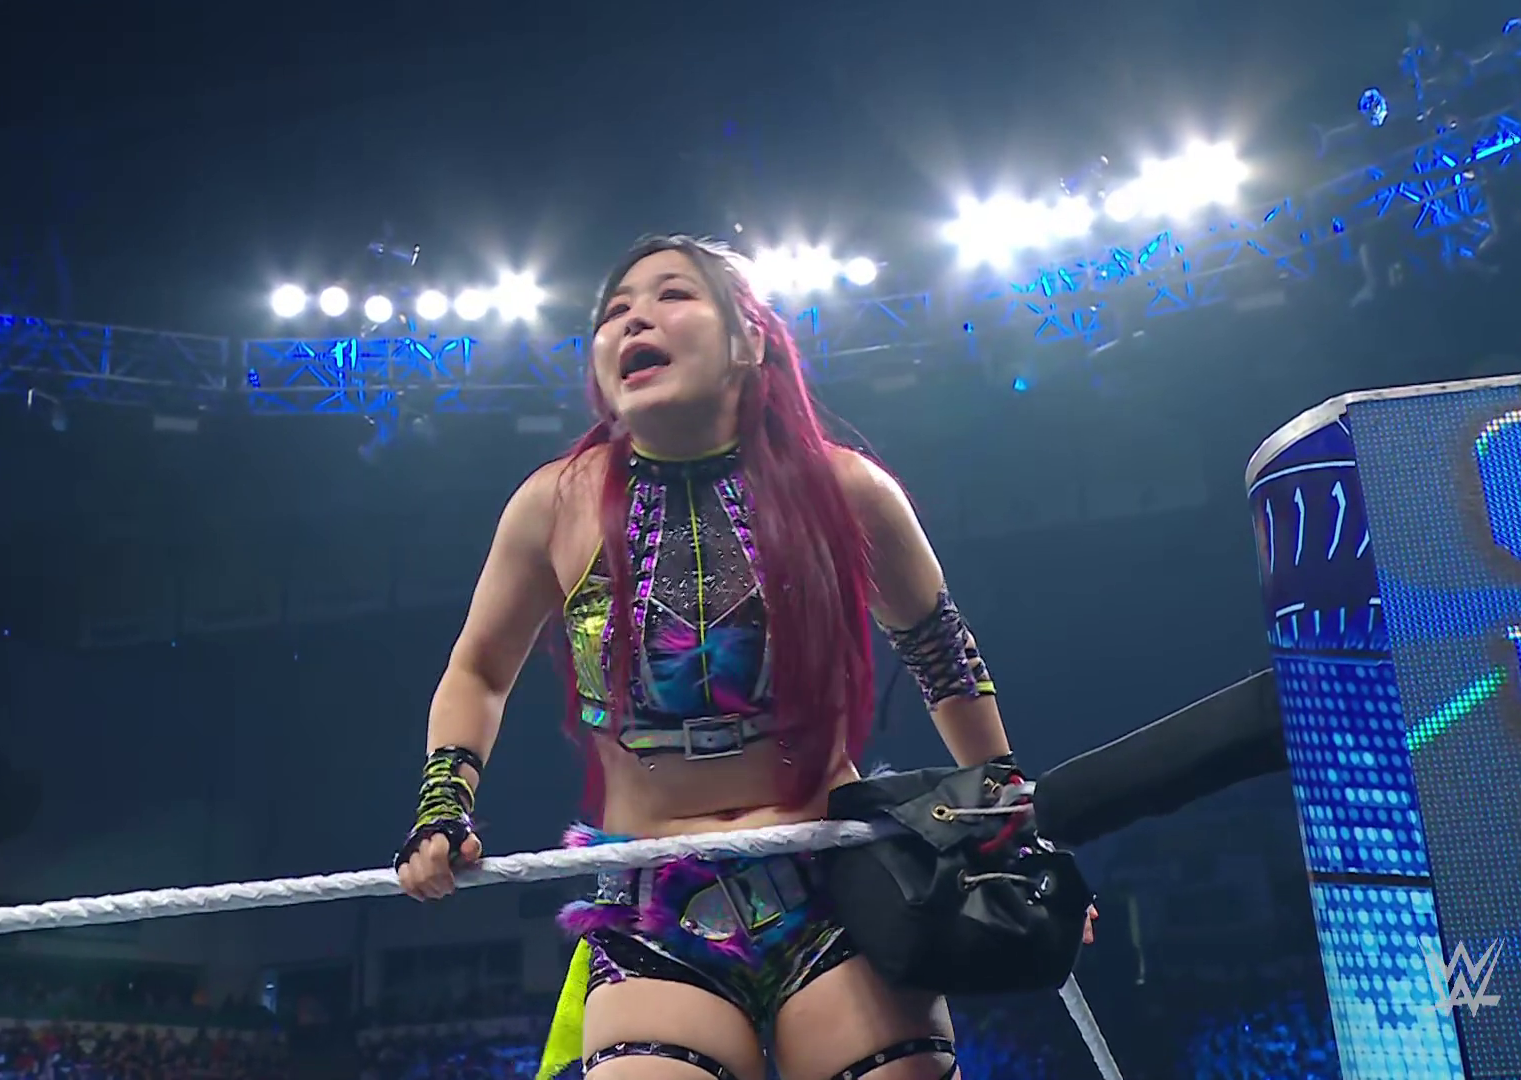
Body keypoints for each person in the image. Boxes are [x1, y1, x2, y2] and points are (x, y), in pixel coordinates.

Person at [395, 235, 1087, 1080]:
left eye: (672, 295)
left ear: (749, 339)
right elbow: (477, 670)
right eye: (615, 310)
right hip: (653, 906)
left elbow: (941, 653)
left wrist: (1013, 834)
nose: (634, 319)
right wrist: (443, 804)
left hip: (838, 887)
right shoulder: (555, 503)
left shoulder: (847, 490)